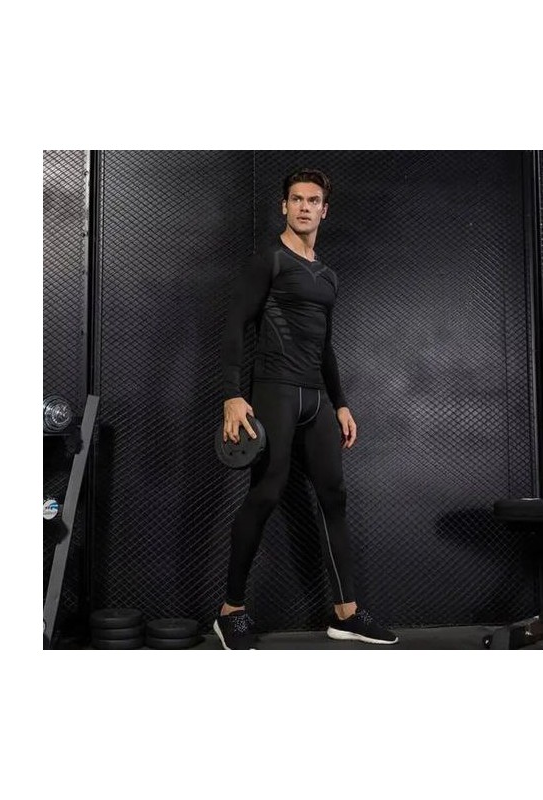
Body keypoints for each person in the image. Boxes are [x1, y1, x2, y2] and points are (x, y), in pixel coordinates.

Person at [215, 168, 398, 650]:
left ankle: (346, 613)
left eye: (312, 201)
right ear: (284, 206)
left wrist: (341, 403)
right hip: (273, 391)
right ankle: (230, 610)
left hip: (316, 399)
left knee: (334, 496)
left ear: (324, 210)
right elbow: (235, 325)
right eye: (296, 199)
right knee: (266, 493)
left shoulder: (328, 276)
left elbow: (325, 346)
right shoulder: (270, 261)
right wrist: (232, 394)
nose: (303, 207)